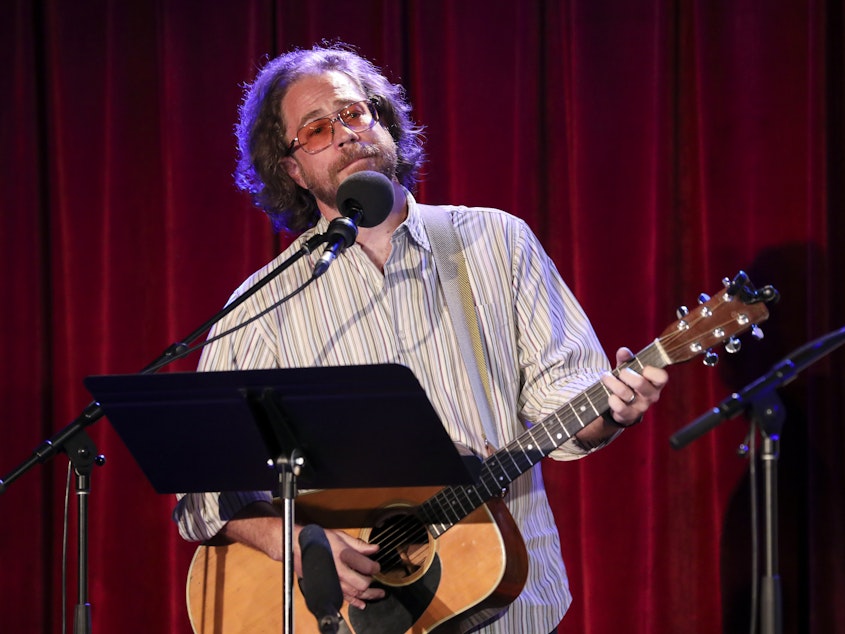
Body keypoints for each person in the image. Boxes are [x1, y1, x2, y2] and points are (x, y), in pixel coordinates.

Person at [173, 42, 668, 633]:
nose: (345, 134)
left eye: (355, 113)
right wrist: (295, 540)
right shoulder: (264, 303)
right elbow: (205, 492)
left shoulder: (494, 242)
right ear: (292, 169)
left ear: (383, 123)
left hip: (503, 597)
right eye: (316, 129)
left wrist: (611, 408)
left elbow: (565, 405)